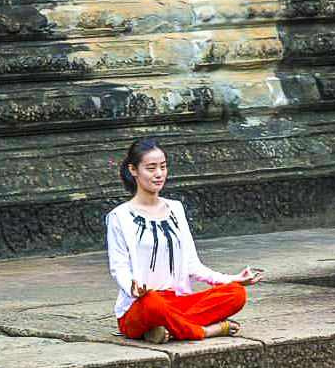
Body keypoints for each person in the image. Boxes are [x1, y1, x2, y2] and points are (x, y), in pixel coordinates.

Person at [106, 138, 263, 343]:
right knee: (153, 303)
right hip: (142, 305)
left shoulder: (176, 209)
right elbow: (119, 268)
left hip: (178, 302)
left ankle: (165, 329)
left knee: (235, 294)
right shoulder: (119, 217)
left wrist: (230, 279)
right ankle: (207, 331)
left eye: (163, 167)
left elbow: (192, 264)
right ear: (133, 170)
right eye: (151, 168)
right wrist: (131, 288)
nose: (159, 174)